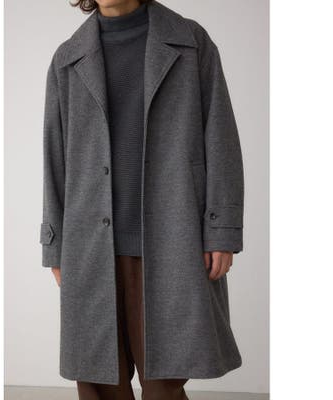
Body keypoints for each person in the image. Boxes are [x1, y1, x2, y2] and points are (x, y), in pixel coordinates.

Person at [40, 0, 244, 399]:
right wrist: (55, 246)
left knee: (165, 381)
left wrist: (221, 230)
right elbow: (54, 157)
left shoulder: (190, 42)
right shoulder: (67, 59)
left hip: (173, 241)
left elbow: (220, 137)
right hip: (90, 247)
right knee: (97, 380)